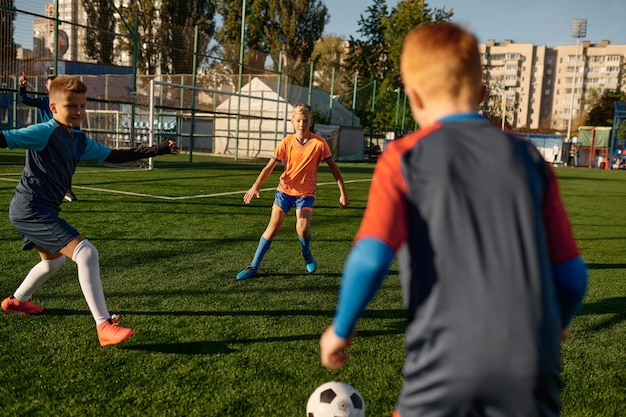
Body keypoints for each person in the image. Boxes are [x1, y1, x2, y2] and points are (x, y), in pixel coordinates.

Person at [319, 22, 588, 417]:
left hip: (446, 360)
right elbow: (572, 276)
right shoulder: (529, 159)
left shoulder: (404, 158)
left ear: (413, 97)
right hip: (532, 364)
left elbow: (370, 258)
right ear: (481, 94)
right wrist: (558, 321)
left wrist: (341, 328)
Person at [1, 75, 180, 346]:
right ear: (53, 108)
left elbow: (116, 155)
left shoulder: (79, 141)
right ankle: (103, 325)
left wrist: (158, 149)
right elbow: (4, 138)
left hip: (40, 209)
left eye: (82, 105)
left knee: (53, 262)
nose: (79, 111)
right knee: (86, 252)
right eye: (72, 106)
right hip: (31, 209)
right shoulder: (44, 132)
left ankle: (17, 301)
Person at [235, 103, 349, 280]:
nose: (301, 124)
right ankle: (253, 266)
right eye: (298, 120)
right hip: (285, 192)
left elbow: (334, 168)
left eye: (305, 120)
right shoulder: (286, 142)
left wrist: (343, 192)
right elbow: (269, 167)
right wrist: (255, 185)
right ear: (292, 121)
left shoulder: (319, 144)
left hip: (306, 194)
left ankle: (306, 253)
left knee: (302, 229)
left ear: (310, 122)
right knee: (272, 228)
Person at [19, 73, 79, 202]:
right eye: (50, 86)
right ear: (47, 86)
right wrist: (22, 87)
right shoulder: (43, 101)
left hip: (63, 138)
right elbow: (24, 100)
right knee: (42, 166)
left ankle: (66, 191)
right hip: (47, 139)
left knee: (66, 165)